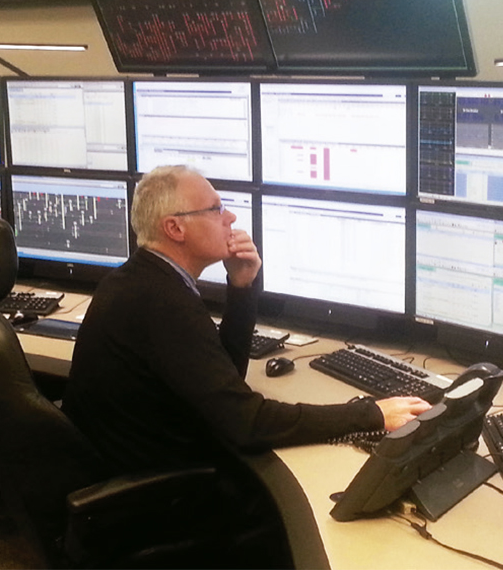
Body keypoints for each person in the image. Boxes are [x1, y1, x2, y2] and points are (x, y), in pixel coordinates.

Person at [61, 165, 431, 564]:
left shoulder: (141, 281)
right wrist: (371, 414)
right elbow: (247, 423)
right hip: (160, 503)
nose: (231, 217)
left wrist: (241, 287)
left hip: (134, 471)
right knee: (297, 513)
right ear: (175, 228)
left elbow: (223, 379)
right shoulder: (163, 303)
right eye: (216, 209)